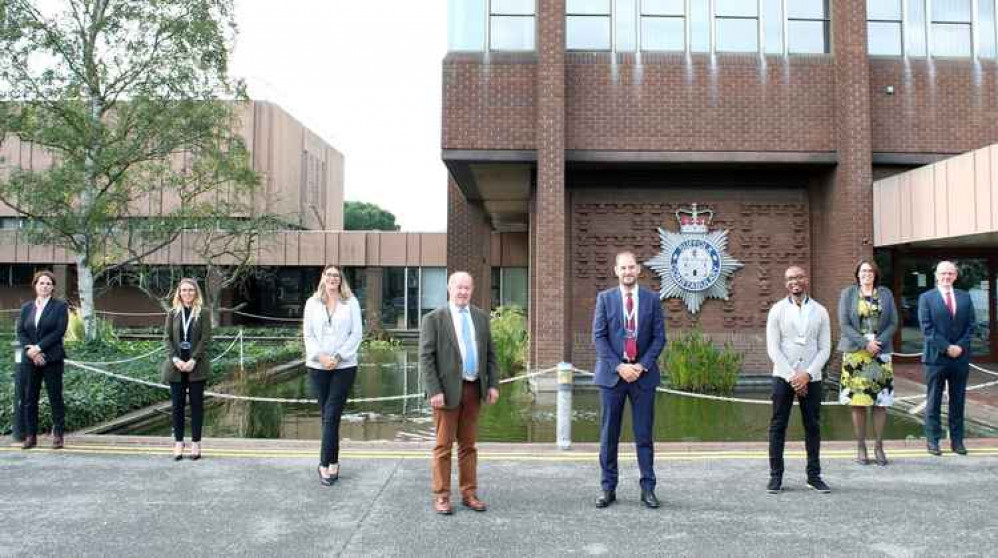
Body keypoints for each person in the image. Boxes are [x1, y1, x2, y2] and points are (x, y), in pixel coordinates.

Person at [592, 251, 666, 509]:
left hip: (643, 377)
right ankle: (608, 488)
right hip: (612, 377)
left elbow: (659, 338)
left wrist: (642, 365)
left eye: (631, 267)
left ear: (638, 270)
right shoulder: (605, 299)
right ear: (616, 271)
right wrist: (619, 366)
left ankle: (648, 489)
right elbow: (599, 337)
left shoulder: (652, 299)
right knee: (608, 435)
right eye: (623, 268)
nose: (627, 272)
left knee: (644, 435)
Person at [420, 271, 498, 515]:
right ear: (449, 288)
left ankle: (469, 493)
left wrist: (493, 384)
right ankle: (442, 495)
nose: (463, 292)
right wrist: (434, 390)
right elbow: (426, 358)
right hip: (445, 392)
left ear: (472, 290)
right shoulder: (434, 319)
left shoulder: (481, 317)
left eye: (467, 288)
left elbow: (491, 355)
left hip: (474, 389)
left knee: (468, 446)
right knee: (443, 446)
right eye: (458, 287)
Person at [765, 265, 831, 494]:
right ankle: (776, 477)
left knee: (812, 426)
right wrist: (794, 377)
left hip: (812, 377)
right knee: (777, 426)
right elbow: (773, 348)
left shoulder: (821, 311)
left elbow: (825, 348)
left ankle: (813, 476)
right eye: (790, 278)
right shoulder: (777, 310)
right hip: (784, 376)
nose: (795, 281)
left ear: (806, 280)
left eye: (799, 277)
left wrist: (807, 374)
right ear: (786, 283)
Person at [303, 265, 362, 485]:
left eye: (336, 275)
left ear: (341, 279)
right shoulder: (312, 303)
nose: (332, 278)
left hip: (343, 367)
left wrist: (337, 357)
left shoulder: (351, 302)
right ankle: (334, 460)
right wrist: (321, 357)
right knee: (329, 417)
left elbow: (356, 334)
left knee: (331, 414)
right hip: (317, 366)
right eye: (329, 275)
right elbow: (307, 334)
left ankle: (324, 464)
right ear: (323, 278)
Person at [837, 260, 899, 466]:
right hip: (856, 354)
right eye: (863, 271)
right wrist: (865, 343)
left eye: (870, 271)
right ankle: (861, 446)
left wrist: (877, 343)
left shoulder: (886, 294)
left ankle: (879, 446)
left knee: (881, 403)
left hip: (880, 353)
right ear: (857, 274)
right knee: (858, 403)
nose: (866, 274)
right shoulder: (848, 294)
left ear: (875, 274)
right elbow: (844, 324)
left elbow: (893, 322)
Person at [918, 260, 976, 456]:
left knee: (958, 401)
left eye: (950, 274)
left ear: (955, 276)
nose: (946, 277)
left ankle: (957, 441)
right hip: (936, 358)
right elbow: (927, 329)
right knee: (933, 400)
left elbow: (971, 326)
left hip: (960, 358)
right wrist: (947, 347)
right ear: (936, 276)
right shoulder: (926, 298)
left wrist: (959, 346)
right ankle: (933, 441)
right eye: (943, 274)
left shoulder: (965, 297)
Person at [161, 278, 212, 461]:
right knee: (177, 407)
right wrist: (175, 358)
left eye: (191, 290)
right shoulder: (173, 313)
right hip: (176, 366)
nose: (187, 293)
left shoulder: (203, 313)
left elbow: (205, 338)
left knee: (197, 406)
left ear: (196, 292)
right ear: (179, 293)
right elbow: (166, 338)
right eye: (184, 290)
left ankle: (196, 443)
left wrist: (193, 359)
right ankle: (178, 442)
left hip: (195, 366)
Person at [18, 270, 69, 450]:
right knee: (30, 398)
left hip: (52, 359)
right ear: (35, 286)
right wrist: (32, 351)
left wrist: (39, 348)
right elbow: (21, 332)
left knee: (55, 397)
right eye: (41, 283)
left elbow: (59, 331)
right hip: (30, 360)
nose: (45, 286)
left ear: (53, 287)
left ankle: (58, 435)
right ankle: (30, 436)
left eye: (48, 283)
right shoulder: (26, 308)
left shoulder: (60, 306)